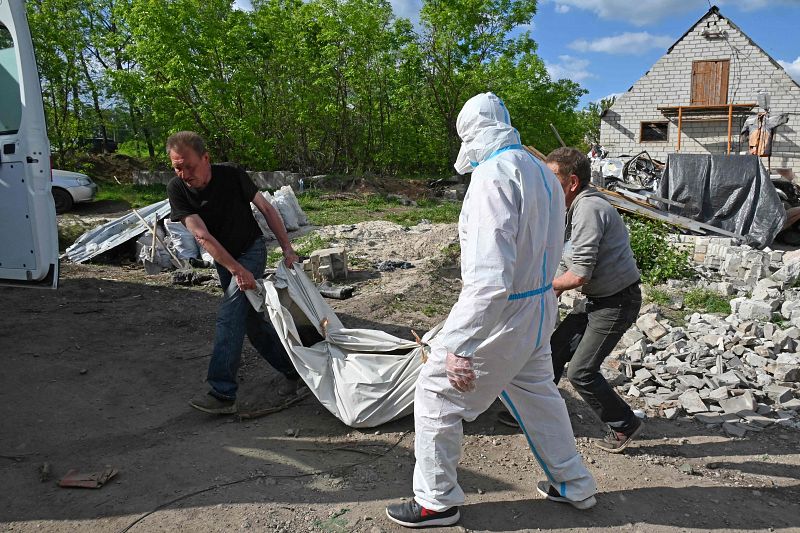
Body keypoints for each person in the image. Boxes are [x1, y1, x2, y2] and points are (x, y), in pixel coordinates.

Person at [385, 94, 597, 529]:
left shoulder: (492, 177)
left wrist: (458, 344)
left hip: (504, 312)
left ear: (471, 134)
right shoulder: (540, 169)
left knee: (436, 392)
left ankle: (436, 502)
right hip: (537, 306)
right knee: (538, 395)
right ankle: (575, 483)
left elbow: (489, 278)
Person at [166, 131, 301, 415]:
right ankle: (296, 372)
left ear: (206, 158)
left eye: (188, 166)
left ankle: (223, 392)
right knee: (251, 322)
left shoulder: (232, 175)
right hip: (225, 259)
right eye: (177, 167)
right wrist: (235, 269)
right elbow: (201, 236)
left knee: (230, 314)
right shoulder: (177, 189)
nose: (183, 173)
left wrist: (287, 248)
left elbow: (266, 208)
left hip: (251, 250)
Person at [525, 146, 643, 453]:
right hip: (597, 299)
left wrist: (536, 291)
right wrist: (549, 283)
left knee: (581, 371)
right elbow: (570, 258)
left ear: (572, 182)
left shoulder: (589, 209)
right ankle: (536, 412)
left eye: (551, 178)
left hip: (616, 302)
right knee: (553, 350)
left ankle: (624, 424)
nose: (544, 184)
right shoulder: (573, 206)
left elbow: (579, 275)